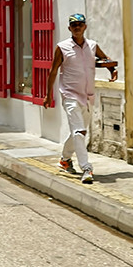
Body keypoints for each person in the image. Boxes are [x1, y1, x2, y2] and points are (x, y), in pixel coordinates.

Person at [43, 13, 118, 185]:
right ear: (69, 28)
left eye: (80, 24)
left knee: (79, 132)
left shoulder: (92, 46)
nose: (77, 27)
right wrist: (48, 95)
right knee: (79, 132)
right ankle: (86, 168)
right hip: (70, 94)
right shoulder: (62, 47)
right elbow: (53, 71)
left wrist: (113, 71)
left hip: (88, 95)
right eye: (74, 25)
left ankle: (65, 159)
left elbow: (106, 60)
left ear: (85, 27)